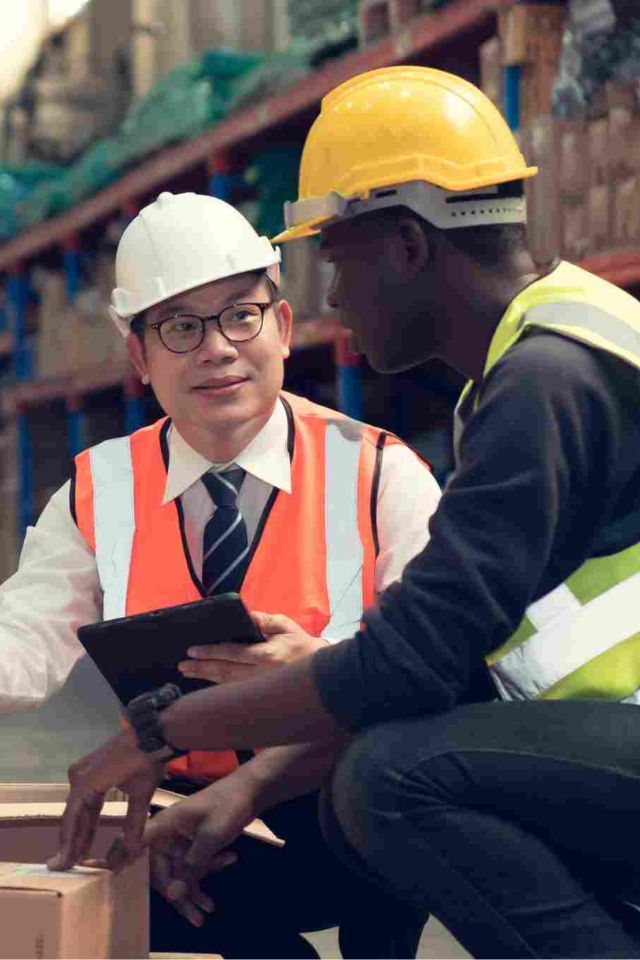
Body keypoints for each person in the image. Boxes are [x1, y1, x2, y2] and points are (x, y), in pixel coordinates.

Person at [49, 66, 640, 959]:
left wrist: (160, 730)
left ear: (406, 246)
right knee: (385, 761)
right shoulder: (547, 353)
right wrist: (240, 790)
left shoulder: (543, 383)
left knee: (392, 778)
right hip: (602, 739)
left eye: (335, 259)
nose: (329, 299)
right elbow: (446, 668)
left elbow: (407, 665)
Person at [0, 190, 441, 958]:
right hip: (183, 808)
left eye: (241, 315)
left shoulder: (379, 473)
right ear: (139, 356)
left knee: (394, 782)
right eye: (180, 326)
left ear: (283, 325)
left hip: (335, 799)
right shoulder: (102, 488)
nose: (217, 348)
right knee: (125, 870)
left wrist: (326, 672)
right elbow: (24, 640)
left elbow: (441, 672)